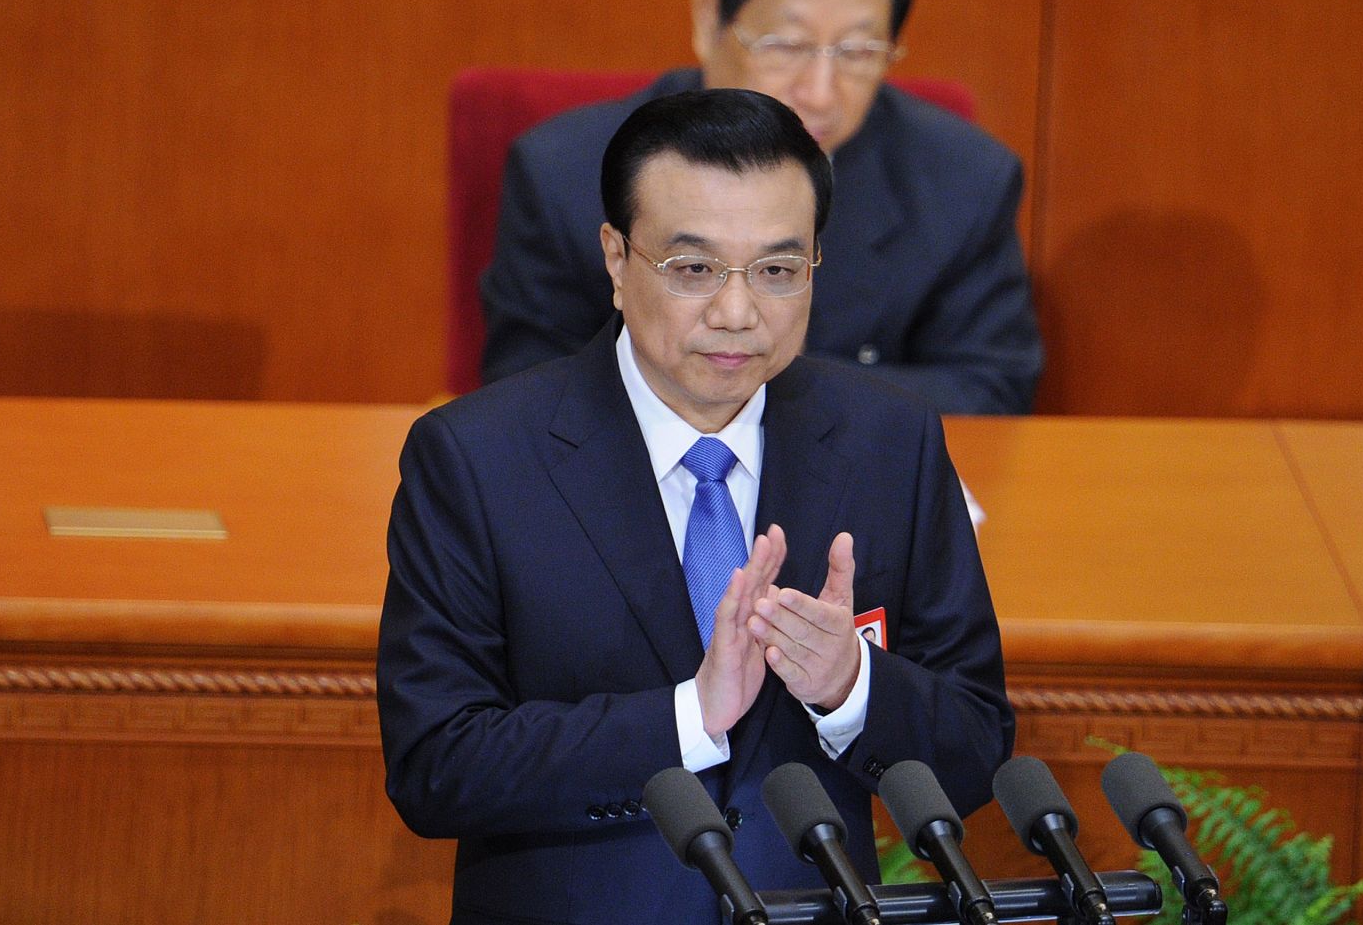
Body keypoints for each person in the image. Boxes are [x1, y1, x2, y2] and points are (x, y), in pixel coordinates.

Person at [380, 88, 1014, 924]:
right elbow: (438, 764)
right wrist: (687, 717)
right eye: (693, 268)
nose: (739, 311)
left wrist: (851, 687)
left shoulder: (889, 443)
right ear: (616, 257)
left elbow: (975, 746)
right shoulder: (477, 458)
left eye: (779, 270)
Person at [479, 0, 1042, 415]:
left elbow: (989, 389)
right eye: (786, 45)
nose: (821, 92)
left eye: (858, 51)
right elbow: (527, 393)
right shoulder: (562, 175)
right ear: (708, 18)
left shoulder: (966, 183)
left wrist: (757, 385)